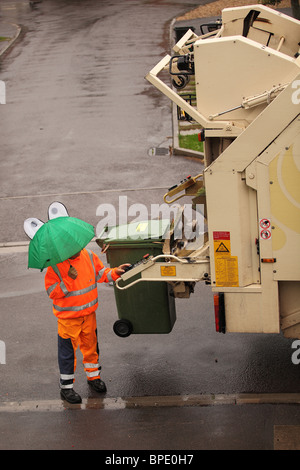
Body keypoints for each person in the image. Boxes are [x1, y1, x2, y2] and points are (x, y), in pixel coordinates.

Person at [45, 248, 129, 404]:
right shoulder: (55, 265)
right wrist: (68, 280)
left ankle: (94, 377)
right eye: (72, 248)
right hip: (68, 319)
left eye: (78, 246)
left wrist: (116, 272)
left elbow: (101, 273)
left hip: (89, 315)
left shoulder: (88, 255)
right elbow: (52, 292)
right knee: (68, 355)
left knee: (91, 348)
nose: (77, 250)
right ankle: (66, 388)